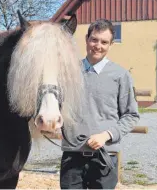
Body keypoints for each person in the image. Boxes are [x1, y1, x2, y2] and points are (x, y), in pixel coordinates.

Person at [60, 19, 140, 189]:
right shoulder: (68, 72)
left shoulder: (121, 75)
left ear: (111, 44)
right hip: (72, 156)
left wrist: (106, 135)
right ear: (86, 39)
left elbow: (131, 115)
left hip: (105, 156)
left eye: (104, 42)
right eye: (94, 39)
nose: (98, 46)